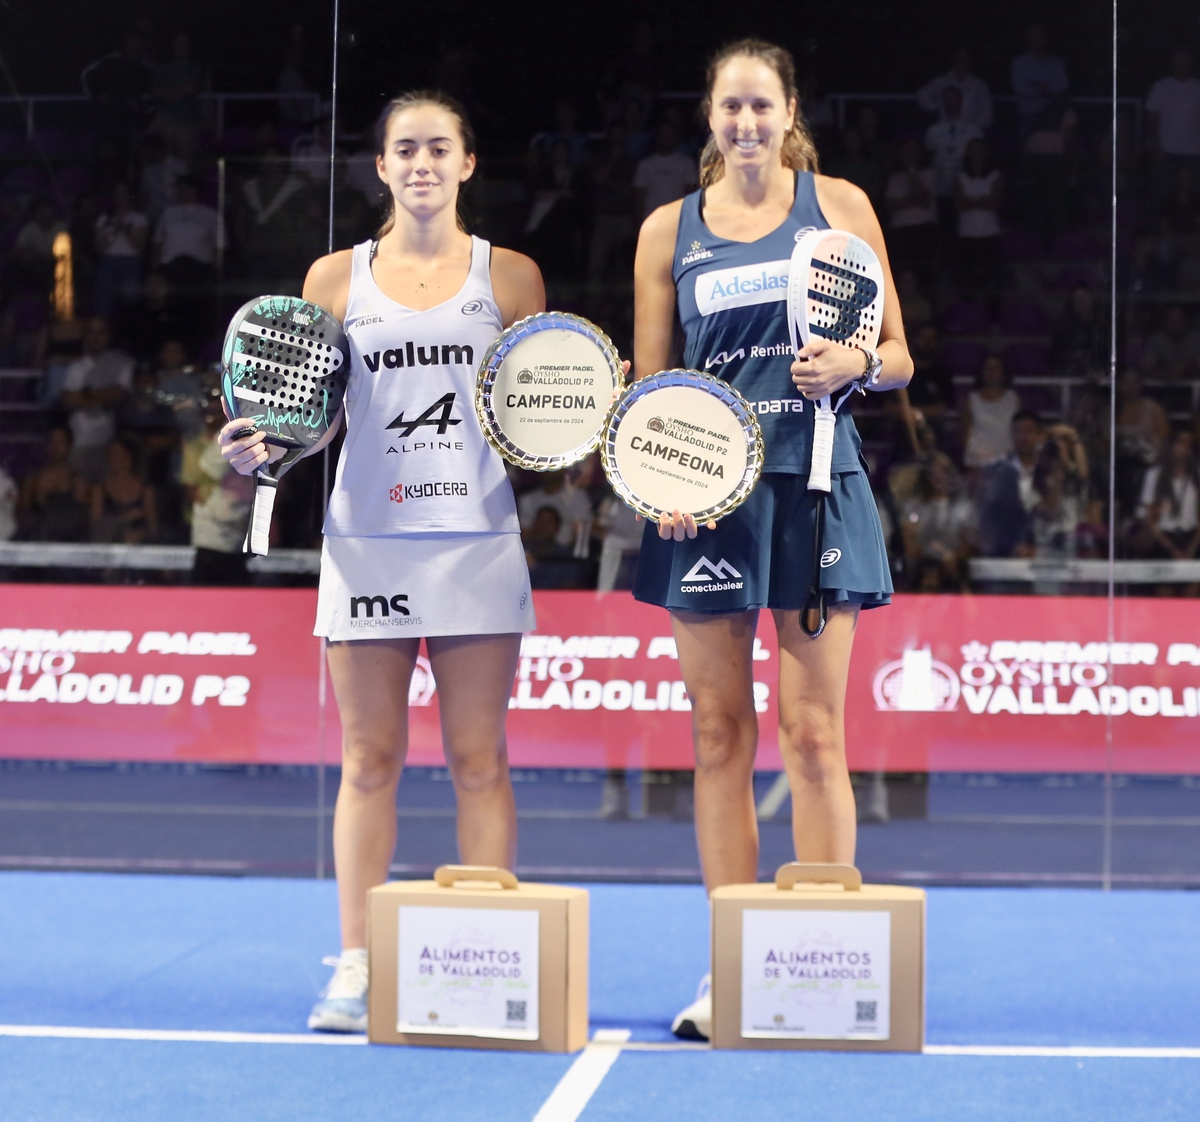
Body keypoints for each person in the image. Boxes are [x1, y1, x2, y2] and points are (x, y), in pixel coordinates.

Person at [217, 89, 550, 1034]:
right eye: (405, 149)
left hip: (477, 542)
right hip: (366, 546)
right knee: (369, 760)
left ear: (467, 162)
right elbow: (304, 422)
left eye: (439, 148)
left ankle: (485, 959)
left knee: (479, 760)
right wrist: (261, 454)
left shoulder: (514, 278)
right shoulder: (333, 279)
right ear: (381, 166)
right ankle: (358, 964)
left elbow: (539, 414)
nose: (421, 164)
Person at [630, 39, 911, 1041]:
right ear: (709, 116)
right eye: (730, 107)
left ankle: (826, 962)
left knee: (814, 735)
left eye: (763, 106)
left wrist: (855, 365)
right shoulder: (669, 230)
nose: (746, 122)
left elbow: (899, 357)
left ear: (789, 111)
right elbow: (648, 391)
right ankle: (731, 966)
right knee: (717, 738)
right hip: (705, 506)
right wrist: (654, 476)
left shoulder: (840, 208)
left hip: (814, 489)